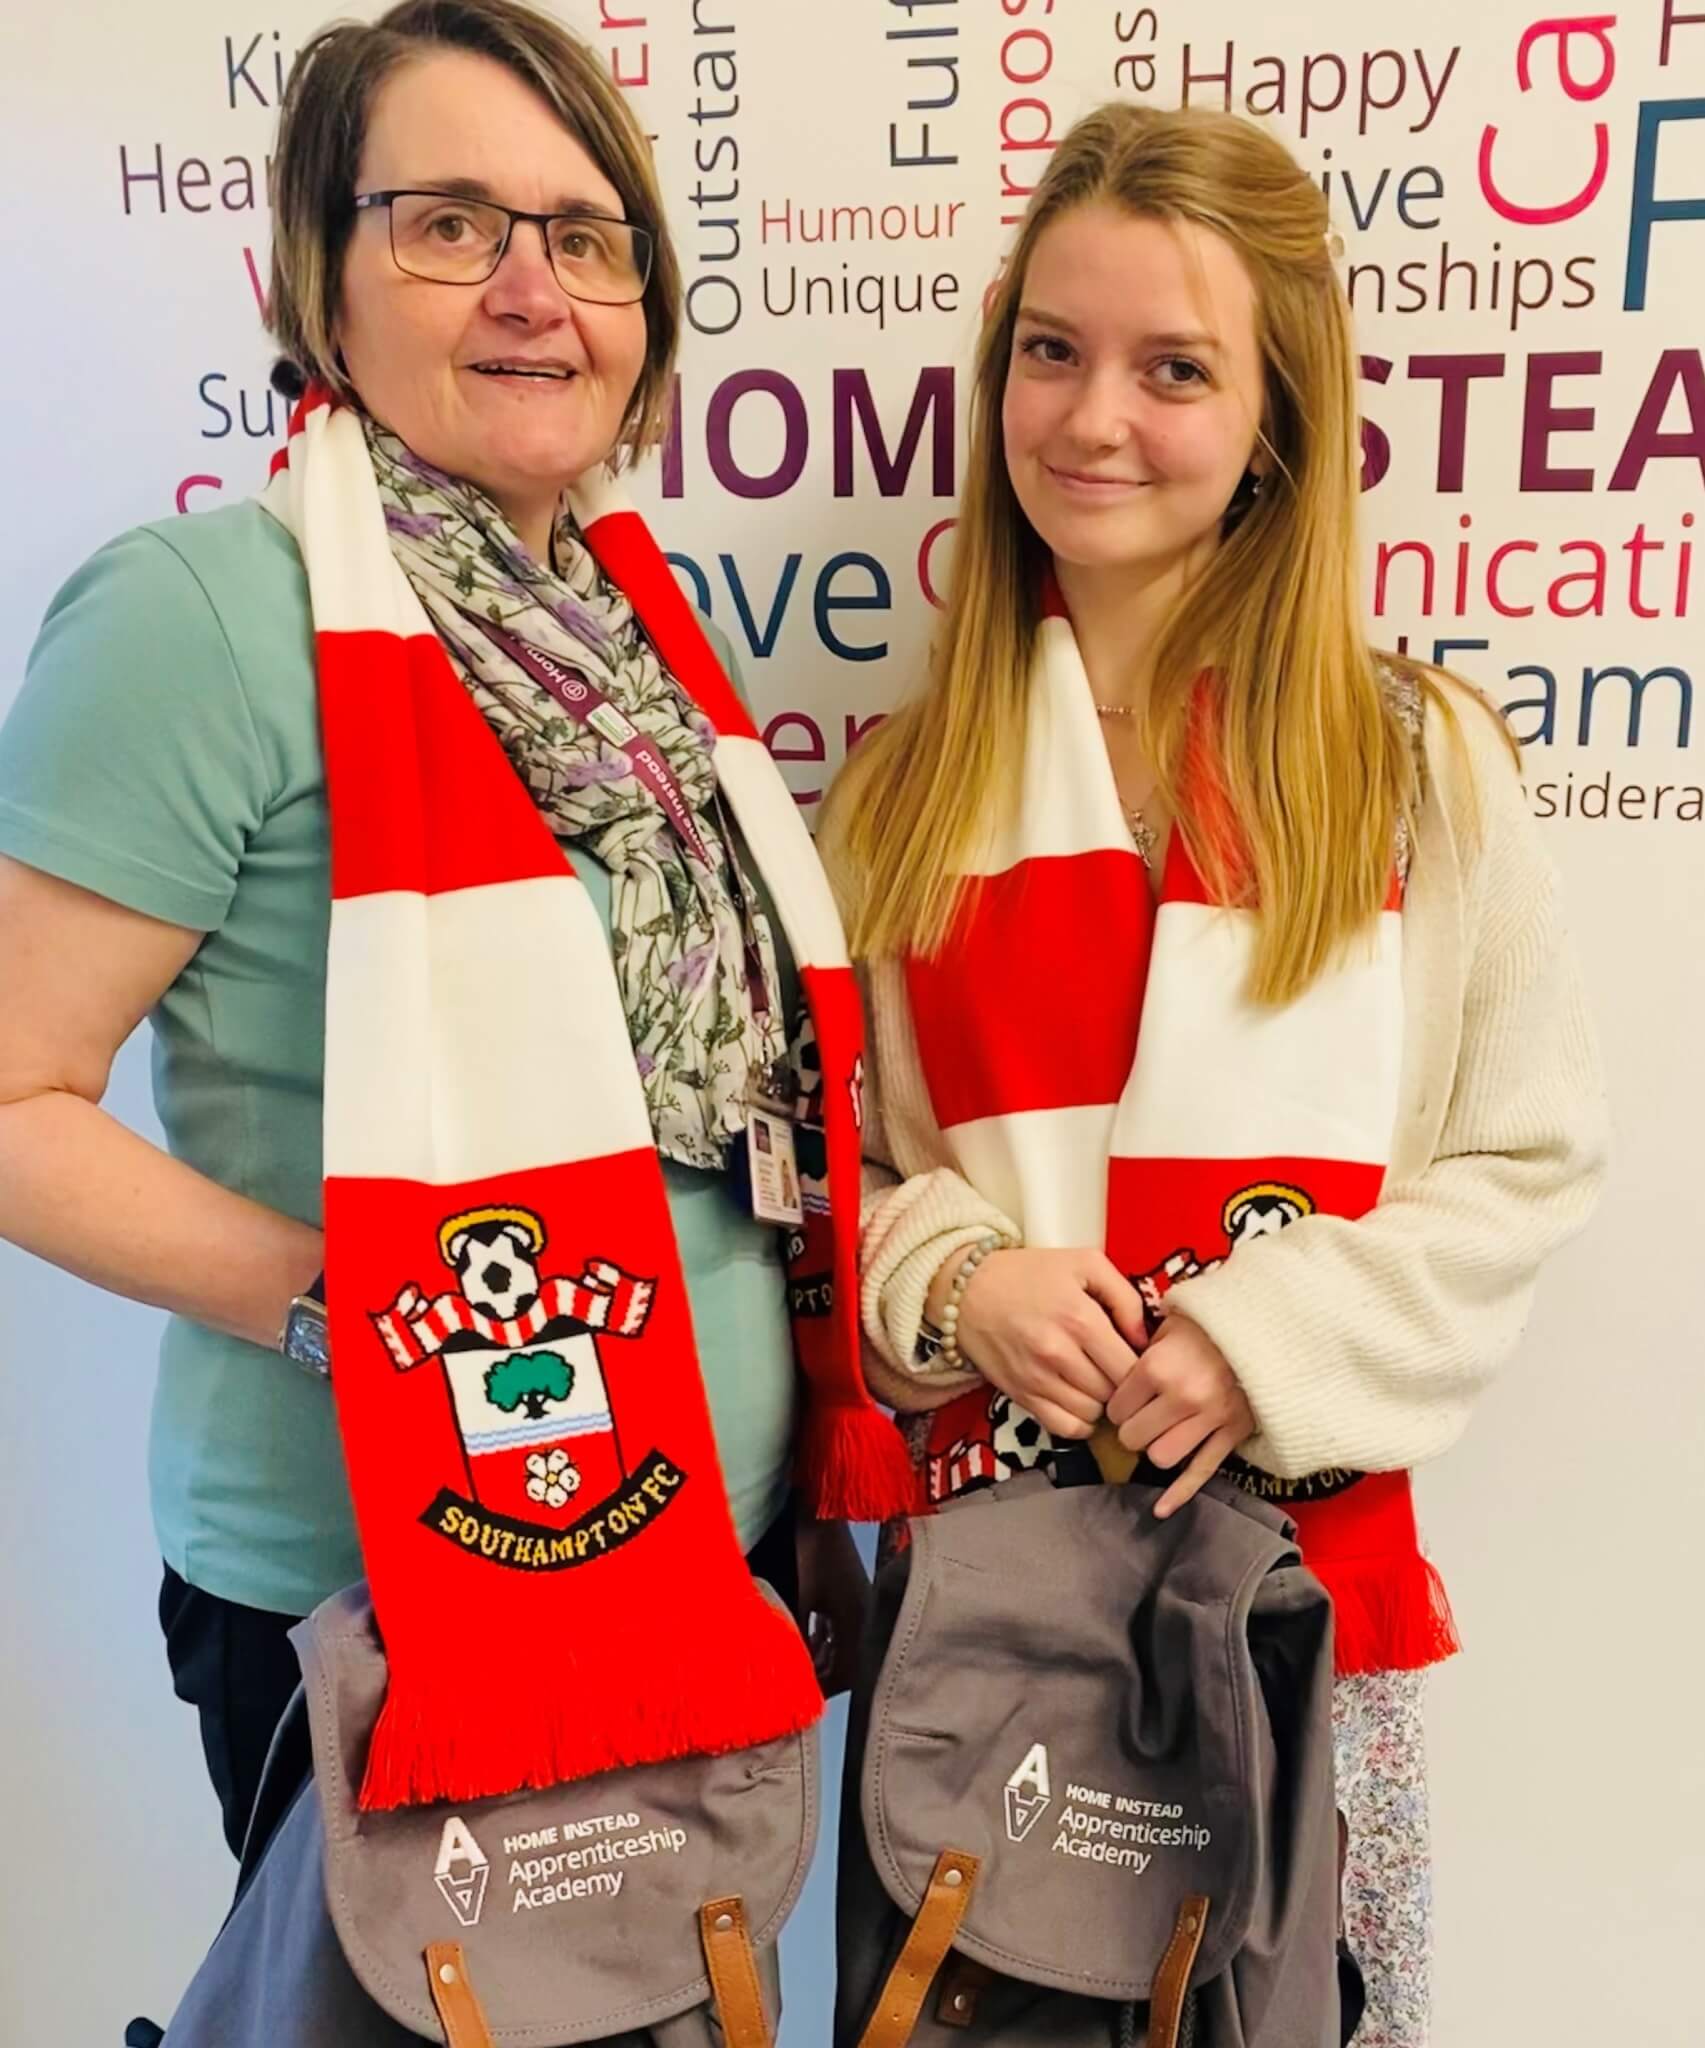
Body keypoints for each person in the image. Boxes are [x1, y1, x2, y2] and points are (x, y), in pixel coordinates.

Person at [0, 0, 895, 1861]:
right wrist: (357, 1313)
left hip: (697, 1548)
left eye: (585, 237)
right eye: (449, 224)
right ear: (319, 282)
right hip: (386, 1584)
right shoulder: (203, 615)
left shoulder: (634, 634)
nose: (529, 288)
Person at [820, 101, 1606, 2048]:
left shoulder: (1409, 765)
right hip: (991, 1617)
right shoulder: (903, 800)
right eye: (1050, 351)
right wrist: (962, 1282)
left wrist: (1269, 1330)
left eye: (1174, 369)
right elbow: (836, 1174)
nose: (1092, 418)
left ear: (1273, 417)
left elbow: (1520, 1158)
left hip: (1306, 1611)